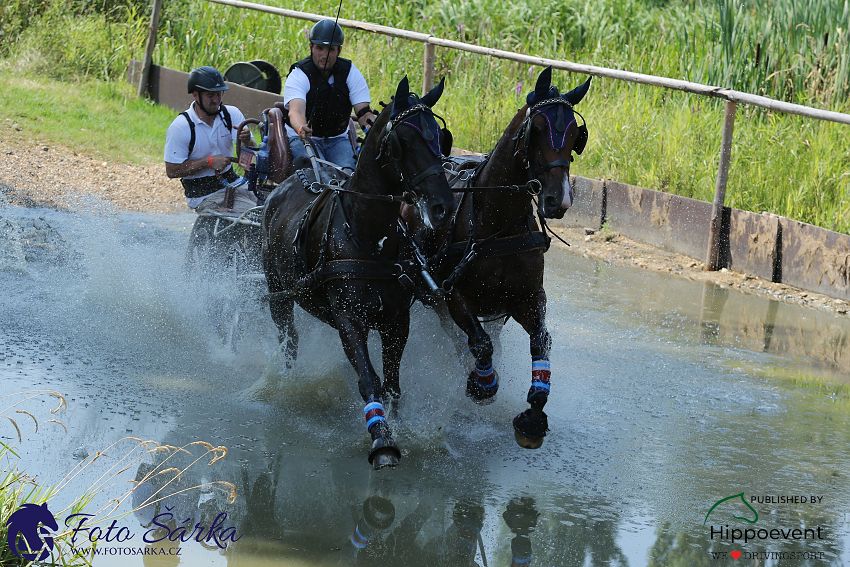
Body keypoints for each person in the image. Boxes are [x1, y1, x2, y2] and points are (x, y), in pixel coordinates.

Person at [283, 19, 377, 170]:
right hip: (304, 139)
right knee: (316, 173)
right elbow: (296, 111)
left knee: (348, 174)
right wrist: (301, 128)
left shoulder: (350, 72)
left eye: (331, 50)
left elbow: (364, 112)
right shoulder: (299, 74)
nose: (325, 55)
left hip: (338, 139)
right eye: (319, 48)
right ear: (311, 47)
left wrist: (375, 131)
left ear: (339, 50)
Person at [164, 66, 256, 213]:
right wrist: (209, 162)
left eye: (219, 95)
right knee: (252, 213)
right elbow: (172, 170)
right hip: (203, 194)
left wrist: (247, 142)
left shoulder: (231, 114)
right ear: (195, 95)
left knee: (272, 204)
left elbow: (249, 158)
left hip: (234, 182)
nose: (216, 100)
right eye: (210, 96)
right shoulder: (181, 127)